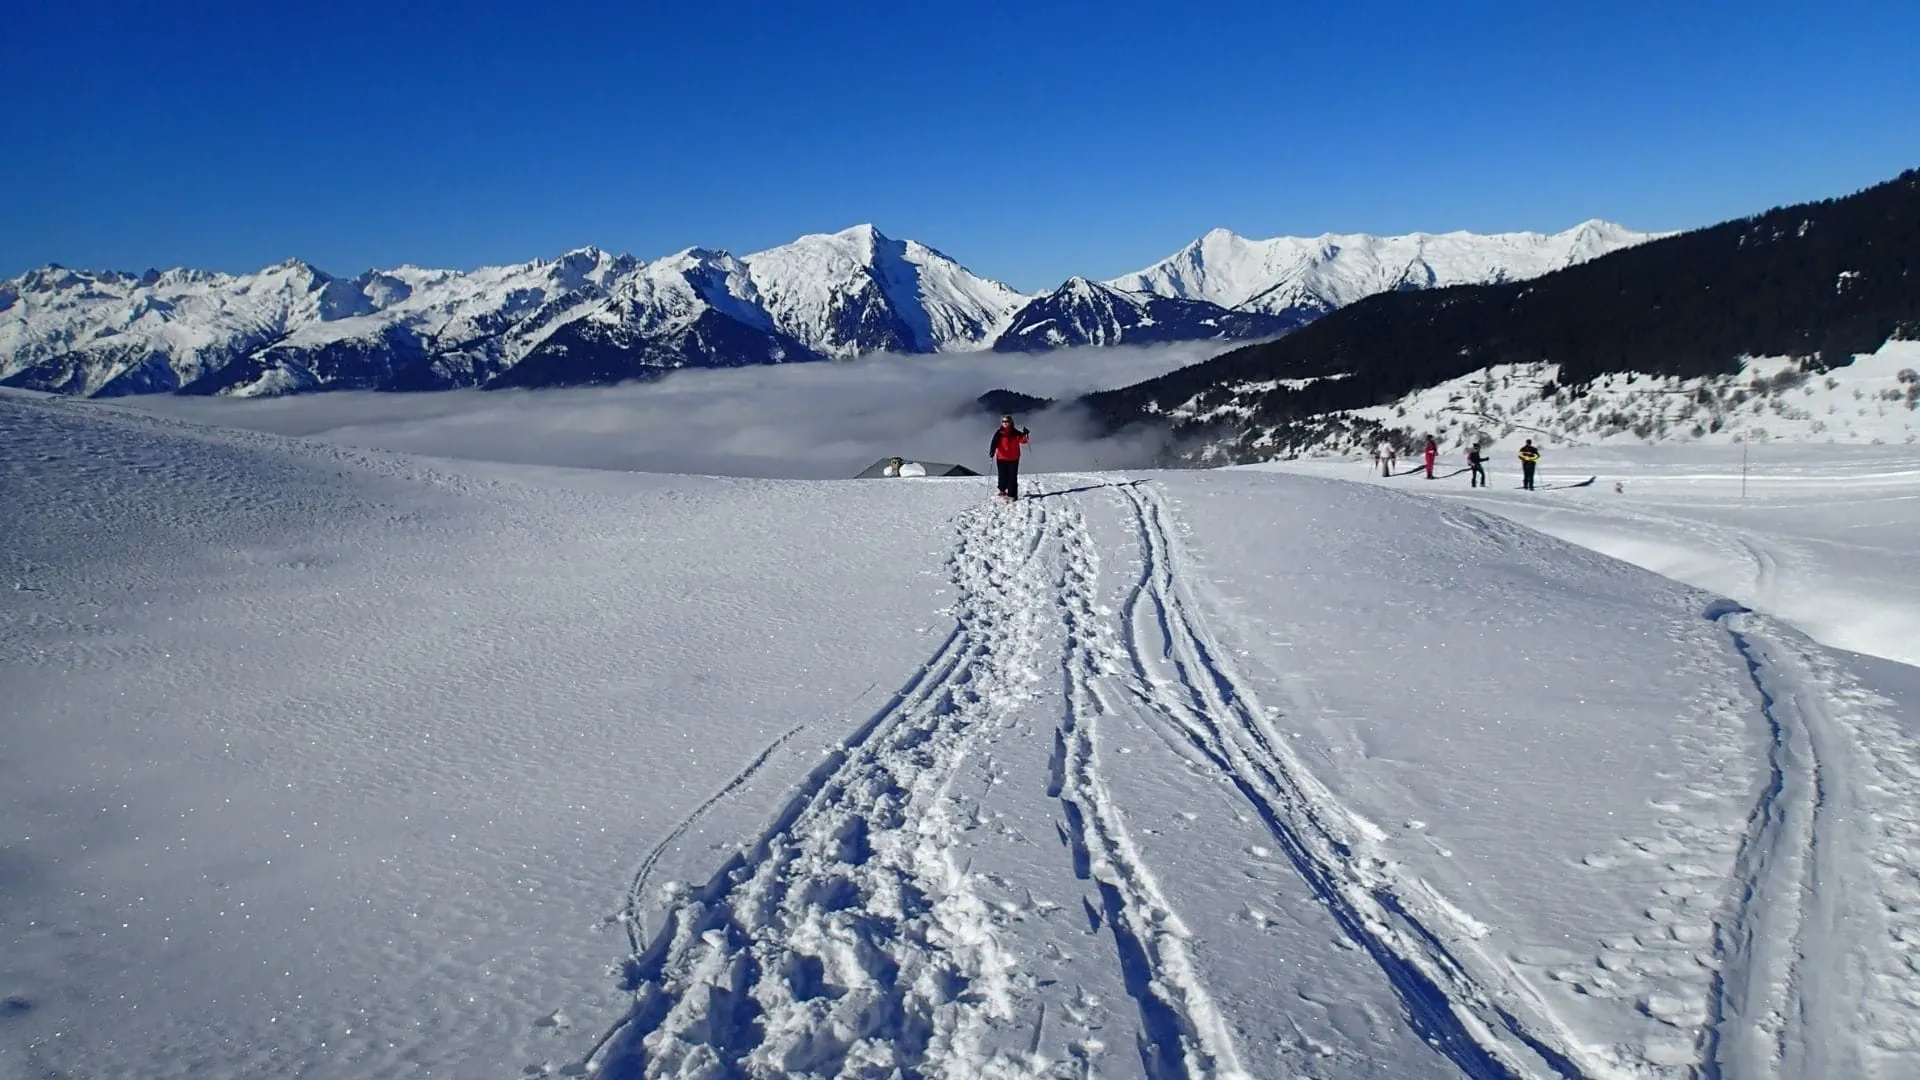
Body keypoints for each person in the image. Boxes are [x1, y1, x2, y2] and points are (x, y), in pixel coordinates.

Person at [989, 414, 1030, 500]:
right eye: (1003, 421)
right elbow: (994, 443)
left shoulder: (1015, 433)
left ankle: (1012, 494)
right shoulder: (999, 433)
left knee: (1012, 477)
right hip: (1001, 458)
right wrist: (992, 452)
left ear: (1011, 422)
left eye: (1006, 421)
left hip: (1013, 458)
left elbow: (1024, 441)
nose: (1005, 423)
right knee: (1002, 475)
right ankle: (1002, 490)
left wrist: (1026, 434)